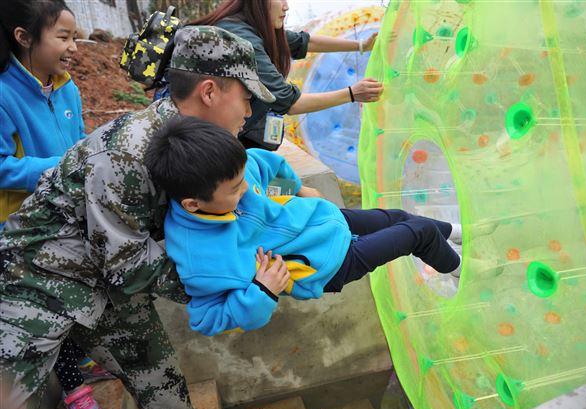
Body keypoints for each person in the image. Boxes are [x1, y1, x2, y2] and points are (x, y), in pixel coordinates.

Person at [0, 25, 274, 409]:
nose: (249, 113)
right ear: (209, 92)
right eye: (246, 99)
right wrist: (233, 282)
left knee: (166, 391)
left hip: (107, 282)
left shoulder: (194, 147)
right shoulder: (127, 154)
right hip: (36, 280)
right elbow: (129, 266)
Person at [144, 116, 464, 337]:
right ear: (192, 204)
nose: (245, 191)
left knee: (396, 217)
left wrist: (296, 189)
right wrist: (261, 290)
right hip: (331, 266)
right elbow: (206, 319)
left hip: (324, 218)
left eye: (243, 182)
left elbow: (268, 163)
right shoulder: (201, 256)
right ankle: (462, 271)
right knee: (416, 234)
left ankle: (455, 233)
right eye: (234, 190)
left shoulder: (228, 172)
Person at [0, 1, 112, 409]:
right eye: (63, 38)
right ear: (24, 37)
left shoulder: (67, 87)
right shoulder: (4, 94)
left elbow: (79, 139)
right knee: (50, 303)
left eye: (73, 37)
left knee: (83, 290)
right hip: (23, 228)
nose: (74, 48)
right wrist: (55, 167)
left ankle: (82, 359)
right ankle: (74, 391)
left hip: (69, 213)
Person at [189, 0, 384, 150]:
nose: (286, 6)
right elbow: (290, 103)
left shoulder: (251, 26)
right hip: (211, 139)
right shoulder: (242, 39)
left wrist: (360, 46)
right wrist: (352, 94)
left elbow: (305, 42)